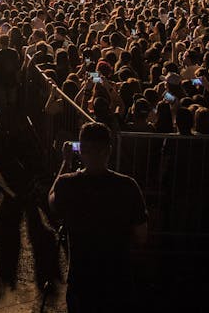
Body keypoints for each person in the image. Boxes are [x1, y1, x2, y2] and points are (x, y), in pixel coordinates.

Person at [49, 122, 147, 311]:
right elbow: (141, 236)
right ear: (109, 150)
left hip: (82, 280)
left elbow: (52, 203)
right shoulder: (128, 186)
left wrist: (65, 163)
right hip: (119, 280)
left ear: (81, 150)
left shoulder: (67, 184)